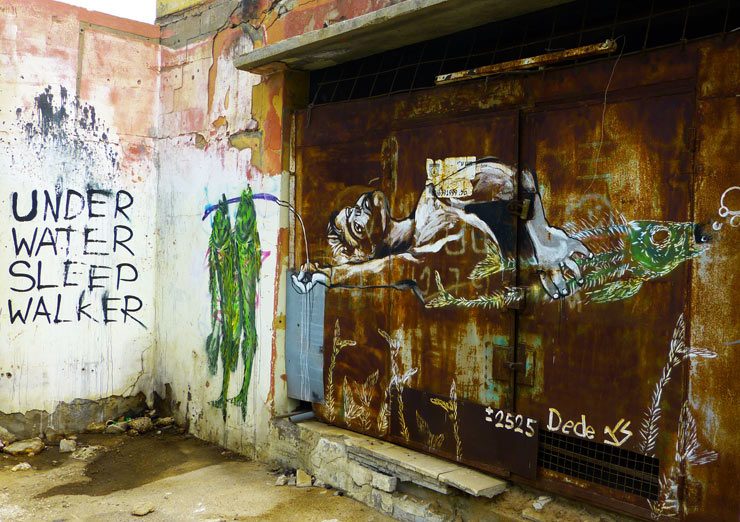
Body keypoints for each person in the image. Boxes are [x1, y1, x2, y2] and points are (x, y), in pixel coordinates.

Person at [292, 158, 591, 300]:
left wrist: (543, 238)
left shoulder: (435, 193)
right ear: (367, 254)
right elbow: (386, 269)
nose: (358, 209)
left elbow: (517, 181)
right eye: (355, 226)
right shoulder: (416, 268)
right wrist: (330, 275)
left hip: (566, 259)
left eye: (351, 208)